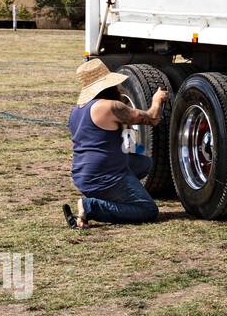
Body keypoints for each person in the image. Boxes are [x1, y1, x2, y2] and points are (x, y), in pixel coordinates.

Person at [64, 58, 168, 228]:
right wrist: (158, 99)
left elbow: (121, 144)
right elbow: (153, 118)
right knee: (148, 210)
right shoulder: (110, 106)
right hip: (104, 176)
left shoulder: (76, 111)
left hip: (82, 174)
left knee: (143, 163)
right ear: (108, 85)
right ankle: (91, 206)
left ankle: (115, 194)